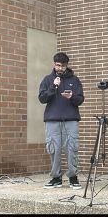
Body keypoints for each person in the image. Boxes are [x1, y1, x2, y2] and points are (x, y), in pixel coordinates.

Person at [37, 52, 84, 189]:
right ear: (54, 64)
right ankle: (56, 178)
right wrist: (53, 86)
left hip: (71, 120)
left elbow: (80, 99)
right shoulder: (47, 79)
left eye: (63, 66)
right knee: (54, 149)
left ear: (66, 65)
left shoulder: (75, 80)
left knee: (72, 148)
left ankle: (73, 177)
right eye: (58, 65)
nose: (60, 68)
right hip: (52, 120)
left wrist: (72, 97)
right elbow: (42, 98)